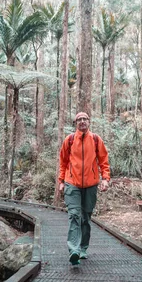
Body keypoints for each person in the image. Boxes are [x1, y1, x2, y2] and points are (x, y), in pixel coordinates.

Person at [58, 111, 111, 265]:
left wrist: (105, 179)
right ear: (75, 123)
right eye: (79, 119)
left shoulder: (95, 140)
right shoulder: (69, 140)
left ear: (89, 122)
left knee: (86, 217)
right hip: (72, 183)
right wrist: (61, 180)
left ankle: (83, 248)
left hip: (91, 185)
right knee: (74, 215)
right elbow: (63, 162)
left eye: (84, 119)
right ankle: (73, 250)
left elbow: (104, 161)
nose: (82, 121)